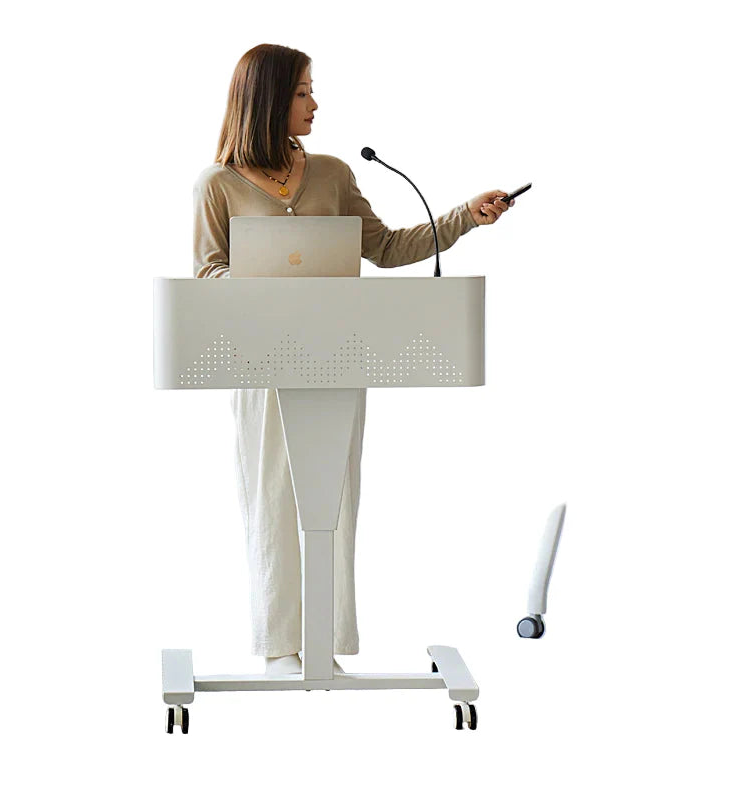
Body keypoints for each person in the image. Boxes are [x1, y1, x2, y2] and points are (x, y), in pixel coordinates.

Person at [193, 44, 513, 677]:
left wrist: (465, 219)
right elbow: (208, 273)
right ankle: (279, 646)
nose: (315, 103)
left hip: (338, 358)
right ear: (268, 100)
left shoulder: (334, 173)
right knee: (272, 499)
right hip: (263, 366)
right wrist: (265, 286)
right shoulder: (216, 184)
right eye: (303, 92)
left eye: (311, 90)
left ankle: (323, 641)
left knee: (335, 501)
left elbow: (386, 247)